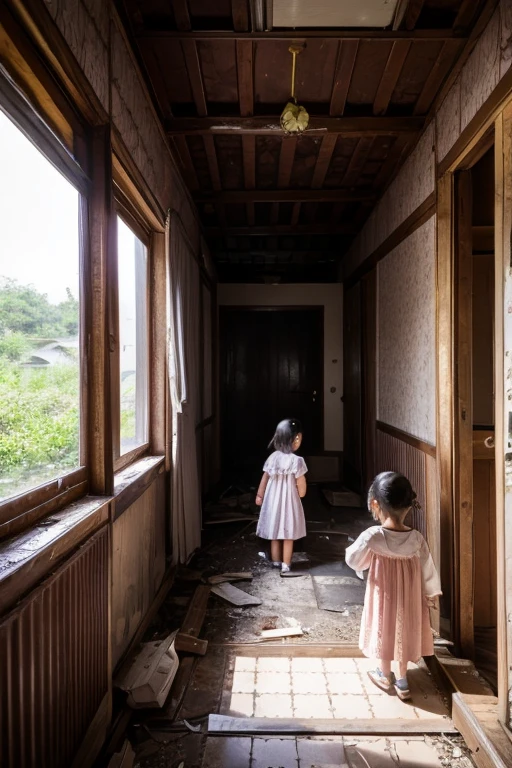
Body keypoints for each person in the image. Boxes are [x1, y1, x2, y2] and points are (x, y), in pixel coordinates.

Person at [345, 471, 441, 701]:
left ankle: (383, 673)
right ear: (409, 506)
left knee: (384, 630)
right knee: (405, 631)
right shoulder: (416, 539)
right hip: (410, 600)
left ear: (375, 504)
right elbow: (428, 569)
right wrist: (431, 594)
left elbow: (354, 560)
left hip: (383, 598)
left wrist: (365, 562)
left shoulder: (373, 536)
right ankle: (403, 680)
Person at [255, 418, 307, 574]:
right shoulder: (297, 461)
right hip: (289, 501)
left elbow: (265, 477)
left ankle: (276, 561)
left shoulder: (273, 458)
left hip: (273, 501)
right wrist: (302, 493)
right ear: (296, 439)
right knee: (288, 533)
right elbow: (301, 481)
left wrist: (259, 495)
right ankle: (286, 563)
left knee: (274, 532)